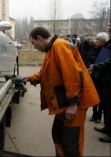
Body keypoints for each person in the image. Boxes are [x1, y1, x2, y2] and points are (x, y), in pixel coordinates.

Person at [23, 27, 99, 156]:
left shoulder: (59, 47)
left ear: (39, 38)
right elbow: (43, 74)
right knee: (58, 135)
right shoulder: (51, 51)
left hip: (74, 103)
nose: (34, 46)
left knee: (71, 143)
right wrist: (25, 78)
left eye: (33, 43)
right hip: (63, 103)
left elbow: (72, 75)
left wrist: (73, 104)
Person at [89, 21, 111, 143]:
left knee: (108, 105)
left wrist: (96, 67)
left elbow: (109, 61)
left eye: (110, 25)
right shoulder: (107, 44)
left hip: (108, 78)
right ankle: (107, 128)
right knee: (106, 105)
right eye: (108, 25)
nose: (108, 27)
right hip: (105, 78)